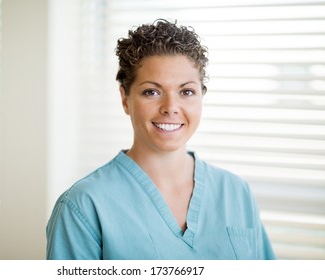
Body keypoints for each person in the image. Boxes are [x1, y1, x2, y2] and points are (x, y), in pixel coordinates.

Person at [46, 19, 276, 260]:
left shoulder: (236, 192)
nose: (171, 107)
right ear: (125, 99)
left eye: (186, 91)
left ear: (201, 97)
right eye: (152, 92)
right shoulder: (83, 206)